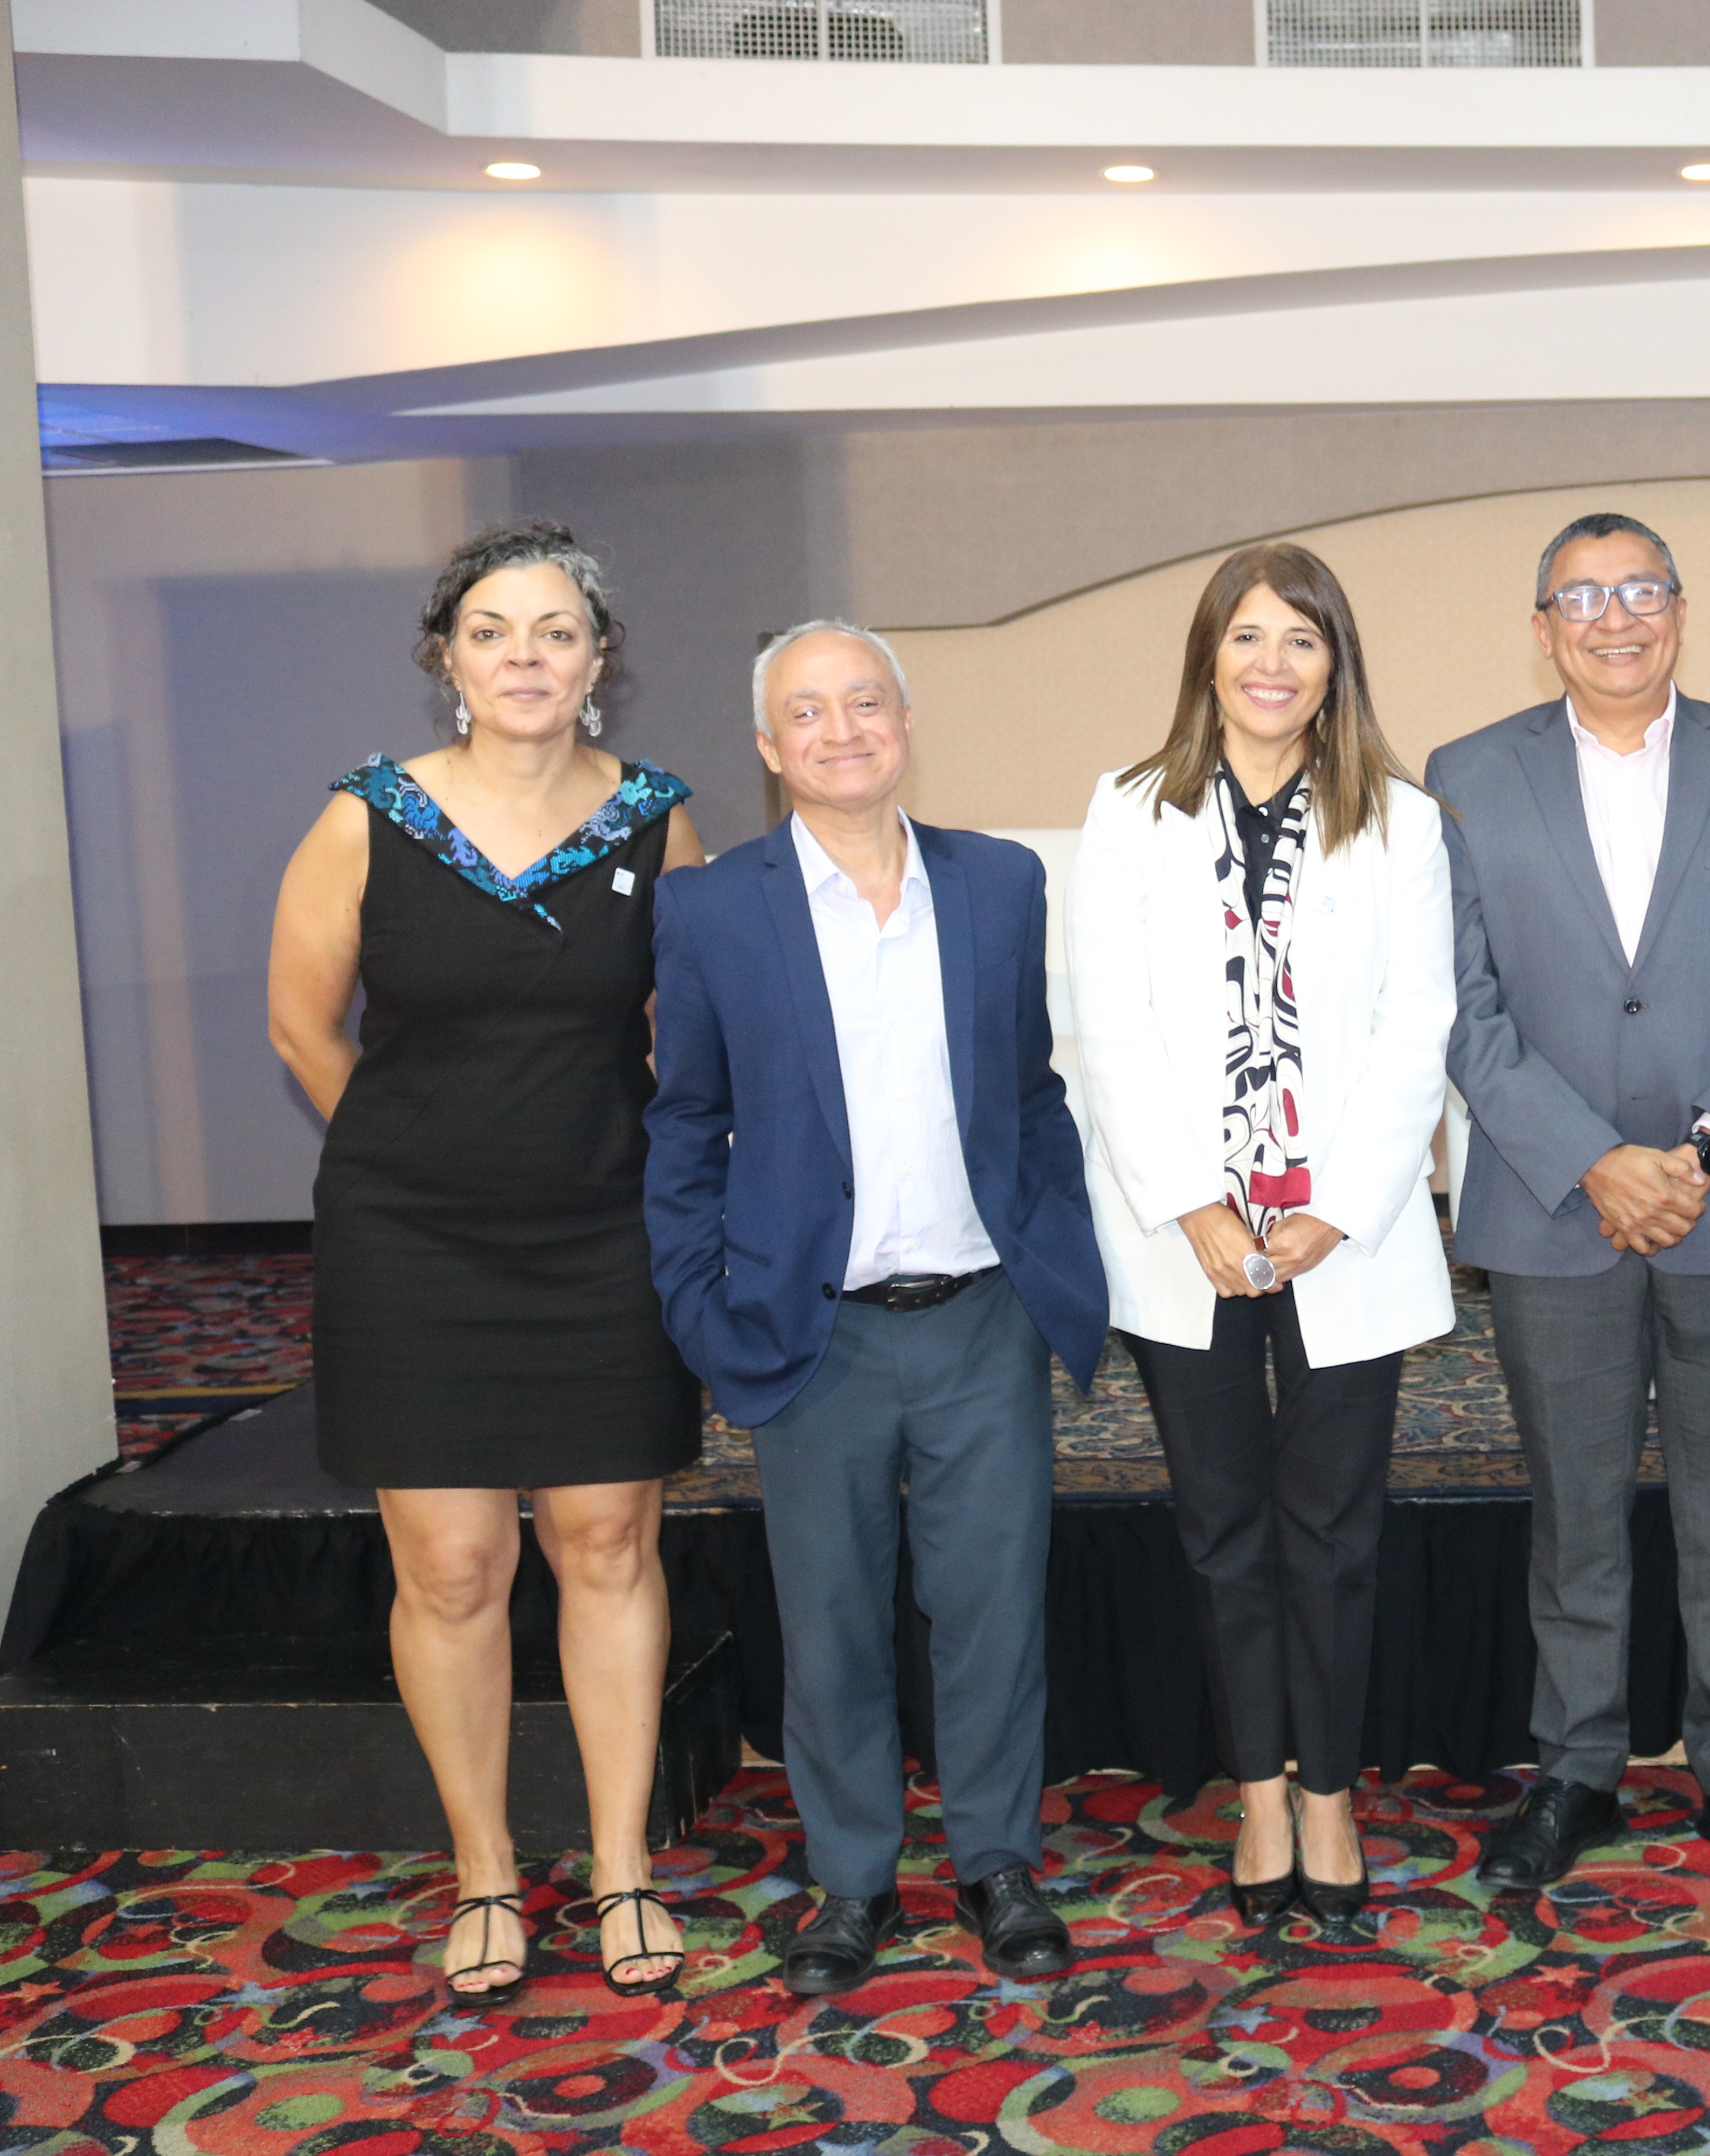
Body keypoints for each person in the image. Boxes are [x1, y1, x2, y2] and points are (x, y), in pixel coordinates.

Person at [267, 521, 705, 2003]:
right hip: (415, 1246)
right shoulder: (366, 817)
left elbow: (680, 1044)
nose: (527, 656)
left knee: (607, 1545)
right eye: (495, 631)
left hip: (604, 1235)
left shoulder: (658, 821)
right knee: (452, 1566)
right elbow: (302, 1028)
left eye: (557, 631)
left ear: (599, 661)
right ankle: (486, 1875)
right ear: (448, 658)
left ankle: (627, 1867)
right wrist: (413, 1158)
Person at [646, 621, 1110, 1993]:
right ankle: (851, 1878)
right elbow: (685, 1129)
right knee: (834, 1616)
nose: (840, 728)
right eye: (808, 709)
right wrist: (701, 1307)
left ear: (904, 721)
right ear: (768, 746)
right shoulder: (714, 908)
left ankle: (996, 1860)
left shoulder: (999, 883)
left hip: (981, 1315)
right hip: (813, 1330)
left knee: (992, 1607)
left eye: (865, 701)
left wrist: (1056, 1253)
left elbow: (1030, 1093)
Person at [1431, 512, 1710, 1892]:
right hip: (1555, 1206)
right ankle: (1578, 1767)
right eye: (1583, 596)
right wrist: (1593, 1157)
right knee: (1577, 1503)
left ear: (1680, 605)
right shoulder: (1467, 776)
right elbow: (1463, 1006)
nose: (1616, 617)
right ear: (1542, 622)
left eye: (1642, 589)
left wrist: (1701, 1156)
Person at [1068, 546, 1455, 1929]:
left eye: (1302, 638)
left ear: (1336, 662)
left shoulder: (1402, 819)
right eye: (1248, 637)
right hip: (1190, 1233)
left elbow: (1422, 1029)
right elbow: (1107, 1024)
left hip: (1344, 1236)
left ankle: (1335, 1791)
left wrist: (1334, 1210)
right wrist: (1200, 1203)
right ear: (1208, 658)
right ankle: (1257, 1791)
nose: (1274, 663)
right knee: (1226, 1529)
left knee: (1336, 1533)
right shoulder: (1129, 810)